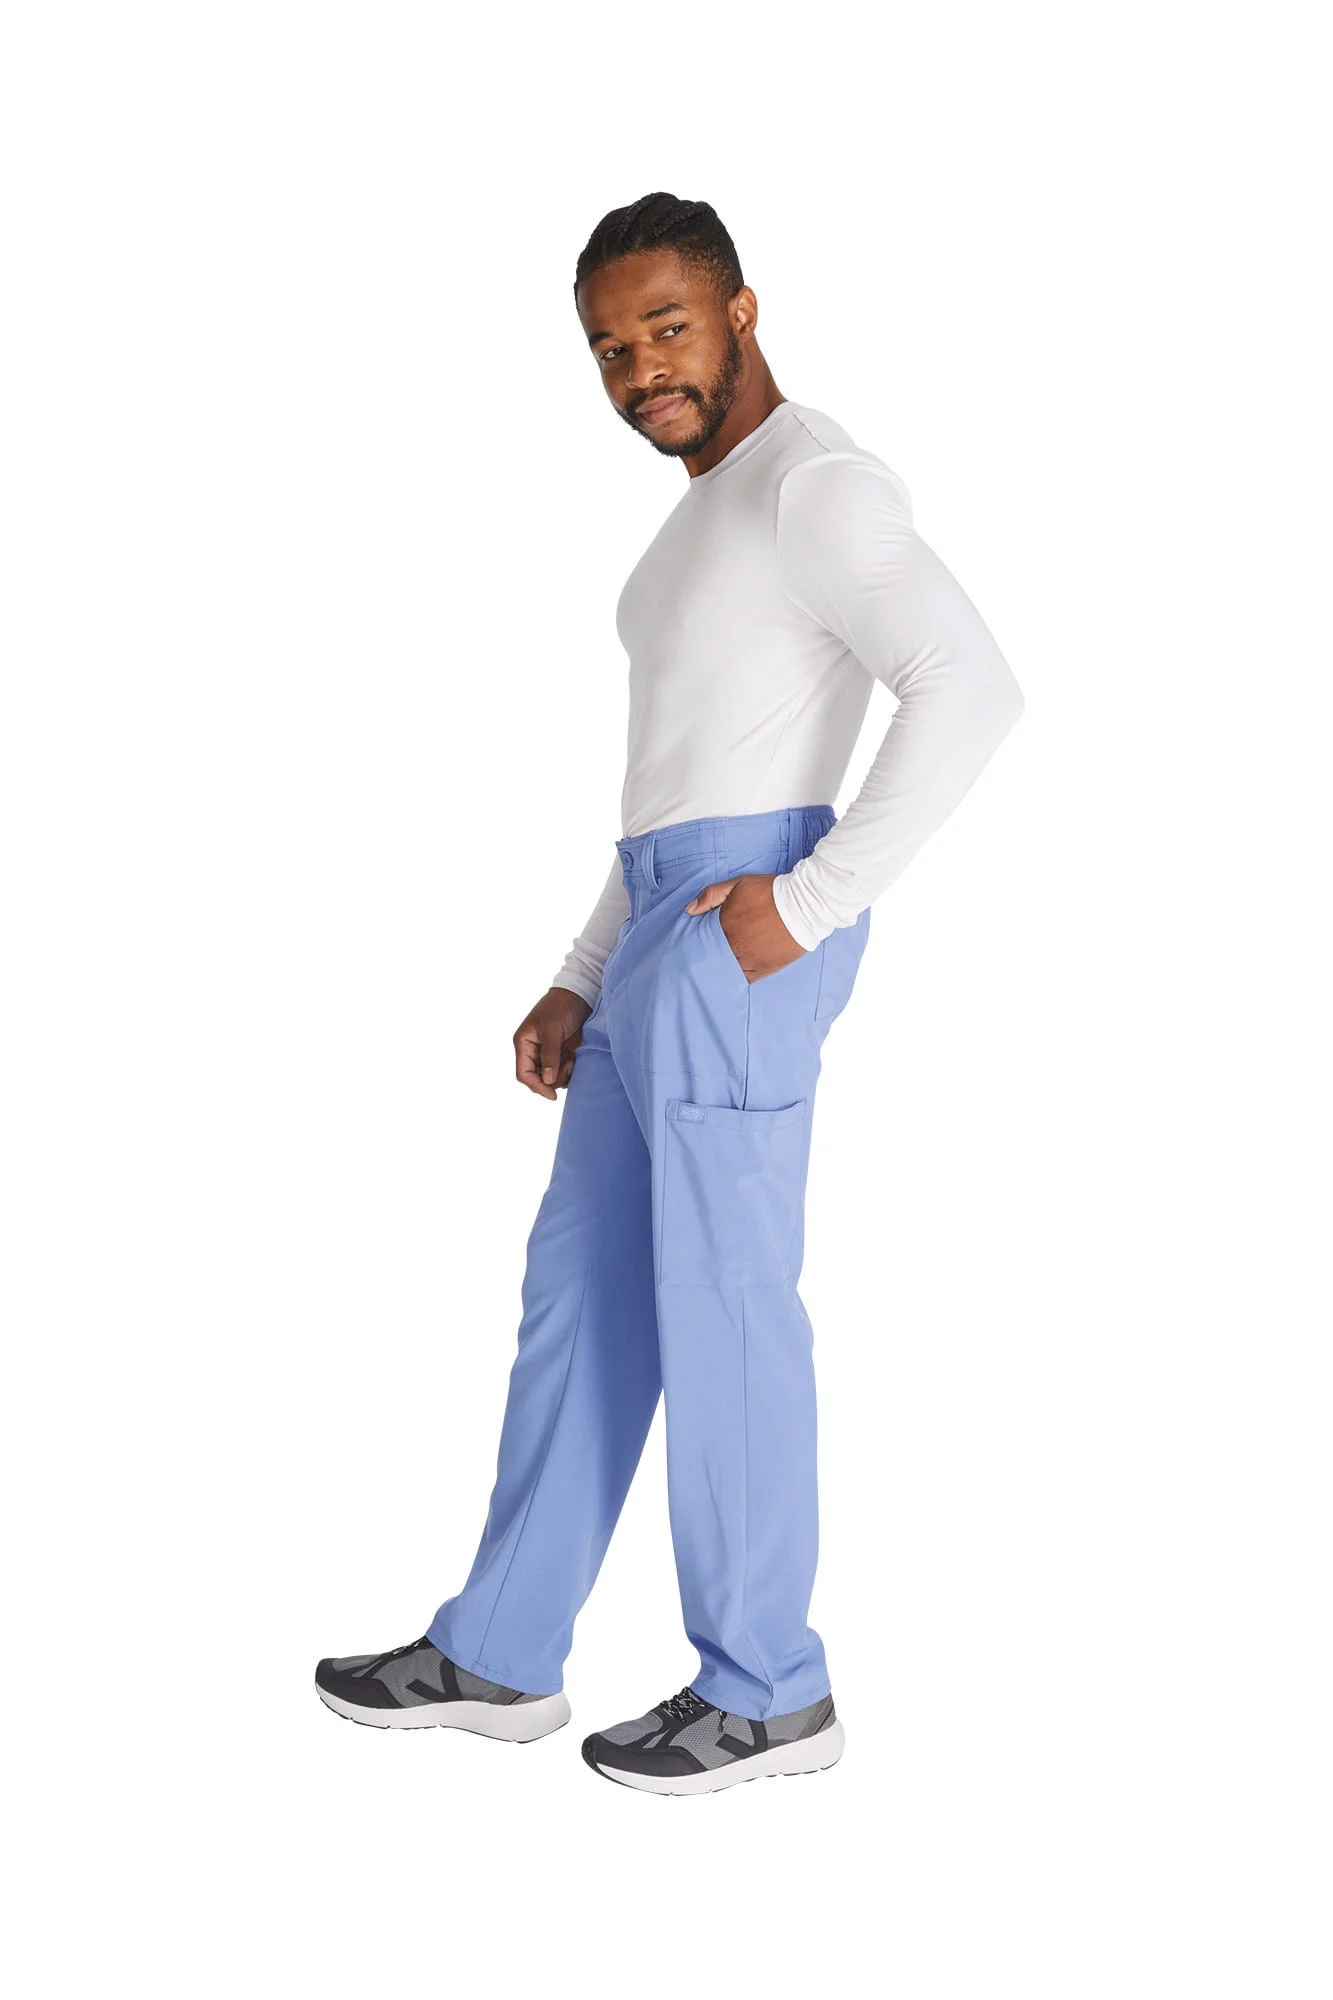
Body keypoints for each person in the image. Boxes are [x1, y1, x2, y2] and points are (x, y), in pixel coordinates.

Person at [315, 191, 1025, 1796]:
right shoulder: (700, 521)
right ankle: (500, 1651)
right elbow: (674, 780)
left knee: (724, 1299)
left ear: (742, 312)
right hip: (662, 917)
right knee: (582, 1291)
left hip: (743, 924)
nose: (643, 370)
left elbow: (971, 688)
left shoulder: (817, 484)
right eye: (611, 348)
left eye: (668, 329)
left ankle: (768, 1689)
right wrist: (583, 972)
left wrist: (810, 902)